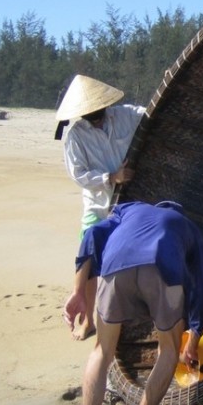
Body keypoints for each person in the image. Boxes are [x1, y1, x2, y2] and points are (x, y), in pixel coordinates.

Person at [63, 200, 203, 405]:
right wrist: (195, 334)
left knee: (102, 351)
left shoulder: (127, 209)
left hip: (115, 265)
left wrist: (77, 291)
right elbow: (200, 284)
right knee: (169, 350)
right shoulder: (188, 227)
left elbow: (91, 235)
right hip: (162, 267)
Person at [55, 74, 145, 339]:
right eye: (89, 114)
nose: (96, 117)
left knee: (133, 261)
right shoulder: (76, 137)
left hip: (131, 203)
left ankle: (132, 315)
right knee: (89, 257)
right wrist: (110, 177)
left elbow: (153, 114)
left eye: (98, 111)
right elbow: (79, 175)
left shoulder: (126, 116)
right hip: (98, 204)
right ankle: (87, 317)